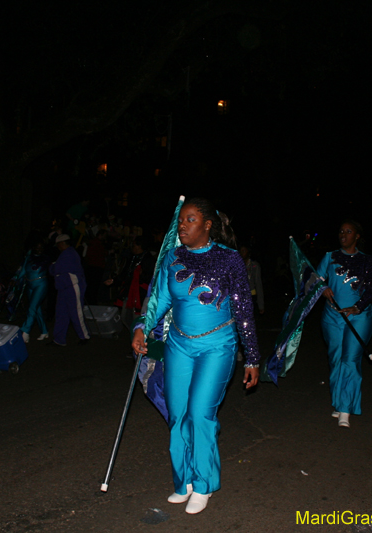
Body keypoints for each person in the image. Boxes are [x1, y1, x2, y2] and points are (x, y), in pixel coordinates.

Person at [131, 197, 260, 515]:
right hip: (178, 346)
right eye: (181, 220)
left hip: (217, 347)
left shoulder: (230, 260)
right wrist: (140, 328)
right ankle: (184, 480)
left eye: (190, 220)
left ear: (207, 225)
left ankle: (203, 484)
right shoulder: (172, 258)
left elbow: (244, 311)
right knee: (178, 414)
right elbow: (158, 300)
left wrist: (253, 357)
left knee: (201, 413)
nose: (182, 225)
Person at [316, 219, 372, 428]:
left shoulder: (367, 260)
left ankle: (345, 409)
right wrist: (322, 289)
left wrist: (358, 306)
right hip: (333, 316)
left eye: (348, 231)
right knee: (336, 359)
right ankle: (339, 401)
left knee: (350, 359)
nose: (343, 234)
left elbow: (371, 289)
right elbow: (315, 279)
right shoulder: (329, 257)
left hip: (359, 316)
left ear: (357, 236)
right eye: (341, 231)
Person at [49, 234, 90, 346]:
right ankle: (59, 339)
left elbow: (55, 269)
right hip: (63, 287)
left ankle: (84, 337)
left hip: (73, 287)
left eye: (58, 245)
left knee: (76, 312)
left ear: (62, 243)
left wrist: (52, 266)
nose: (57, 247)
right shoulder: (65, 254)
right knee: (61, 313)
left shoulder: (70, 254)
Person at [14, 241, 51, 343]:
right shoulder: (28, 258)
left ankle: (25, 331)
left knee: (32, 308)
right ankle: (44, 331)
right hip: (30, 285)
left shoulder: (46, 258)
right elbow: (23, 272)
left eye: (41, 247)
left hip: (41, 284)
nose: (39, 249)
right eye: (37, 247)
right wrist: (14, 279)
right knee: (37, 309)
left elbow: (52, 269)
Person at [239, 244, 265, 315]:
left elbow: (258, 284)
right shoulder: (237, 265)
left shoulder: (254, 266)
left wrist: (261, 305)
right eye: (240, 251)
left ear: (248, 252)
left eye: (244, 251)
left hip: (251, 297)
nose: (242, 253)